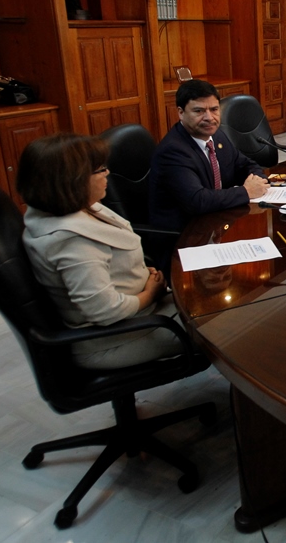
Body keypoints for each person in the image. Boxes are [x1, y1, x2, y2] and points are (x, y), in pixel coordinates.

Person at [17, 134, 186, 369]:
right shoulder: (71, 241)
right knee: (227, 332)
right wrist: (151, 292)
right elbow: (105, 310)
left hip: (140, 315)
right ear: (73, 181)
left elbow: (108, 257)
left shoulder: (76, 207)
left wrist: (132, 270)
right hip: (116, 338)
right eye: (100, 169)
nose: (108, 173)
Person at [149, 79, 268, 230]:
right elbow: (198, 200)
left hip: (215, 223)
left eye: (214, 109)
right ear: (180, 113)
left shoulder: (217, 136)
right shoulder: (173, 151)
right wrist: (245, 192)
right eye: (199, 111)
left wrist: (258, 180)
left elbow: (245, 164)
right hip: (184, 235)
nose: (209, 117)